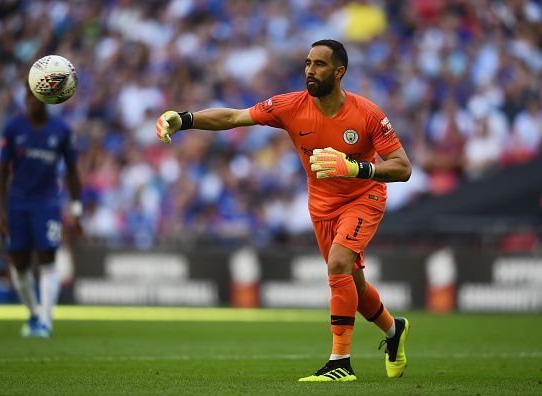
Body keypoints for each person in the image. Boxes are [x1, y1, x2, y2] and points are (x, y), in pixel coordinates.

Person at [156, 39, 412, 381]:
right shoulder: (290, 105)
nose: (309, 70)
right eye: (307, 63)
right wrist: (184, 119)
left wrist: (356, 169)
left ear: (339, 72)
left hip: (364, 197)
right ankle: (393, 330)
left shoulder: (367, 113)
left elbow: (402, 168)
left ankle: (340, 363)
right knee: (354, 283)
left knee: (338, 264)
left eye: (319, 64)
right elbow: (233, 116)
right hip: (321, 206)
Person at [0, 87, 83, 338]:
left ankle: (46, 320)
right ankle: (33, 313)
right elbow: (2, 171)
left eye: (36, 96)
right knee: (19, 261)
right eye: (28, 96)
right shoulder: (13, 128)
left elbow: (72, 172)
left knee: (47, 257)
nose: (31, 101)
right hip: (18, 203)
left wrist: (76, 210)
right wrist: (2, 210)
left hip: (47, 203)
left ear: (46, 98)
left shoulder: (62, 131)